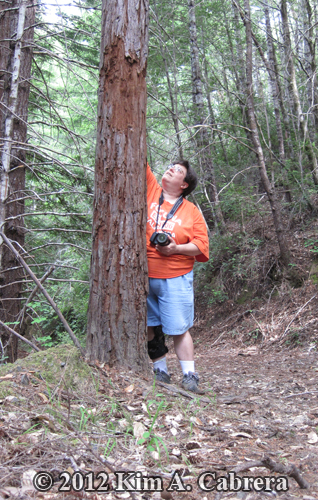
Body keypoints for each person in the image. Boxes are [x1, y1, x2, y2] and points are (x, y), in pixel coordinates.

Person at [146, 160, 209, 393]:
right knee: (148, 324)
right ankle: (160, 370)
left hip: (176, 276)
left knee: (179, 328)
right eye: (171, 166)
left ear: (184, 184)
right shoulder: (151, 189)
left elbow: (202, 245)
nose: (171, 169)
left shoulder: (191, 211)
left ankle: (189, 374)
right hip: (142, 275)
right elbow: (140, 161)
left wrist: (176, 249)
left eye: (178, 170)